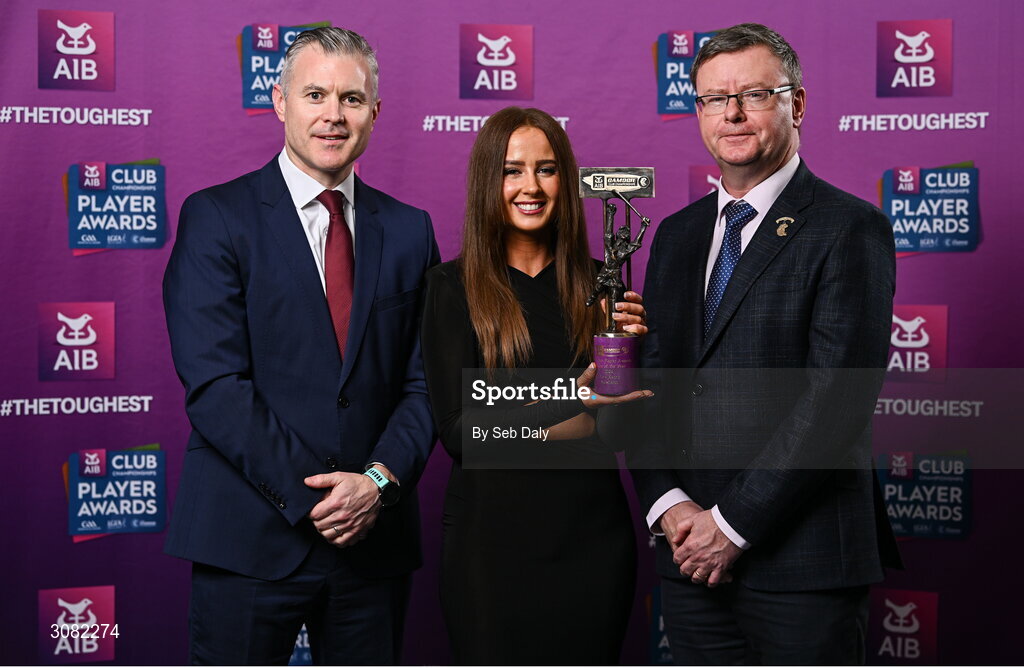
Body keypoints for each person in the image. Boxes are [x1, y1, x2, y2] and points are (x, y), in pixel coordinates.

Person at [162, 27, 439, 665]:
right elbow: (215, 386)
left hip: (372, 543)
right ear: (280, 101)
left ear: (375, 111)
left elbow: (426, 384)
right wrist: (321, 498)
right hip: (249, 541)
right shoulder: (217, 217)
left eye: (351, 98)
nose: (333, 115)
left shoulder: (408, 230)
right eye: (315, 94)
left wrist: (375, 484)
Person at [629, 23, 901, 664]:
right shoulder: (676, 234)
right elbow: (651, 383)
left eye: (752, 94)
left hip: (802, 566)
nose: (732, 114)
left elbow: (836, 402)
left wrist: (730, 526)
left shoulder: (849, 227)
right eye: (712, 98)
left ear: (796, 104)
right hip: (689, 561)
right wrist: (669, 506)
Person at [421, 106, 647, 664]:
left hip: (594, 542)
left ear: (565, 182)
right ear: (487, 182)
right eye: (511, 170)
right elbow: (461, 432)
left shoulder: (605, 285)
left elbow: (616, 433)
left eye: (546, 170)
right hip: (489, 548)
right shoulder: (451, 287)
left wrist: (627, 361)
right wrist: (573, 402)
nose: (530, 187)